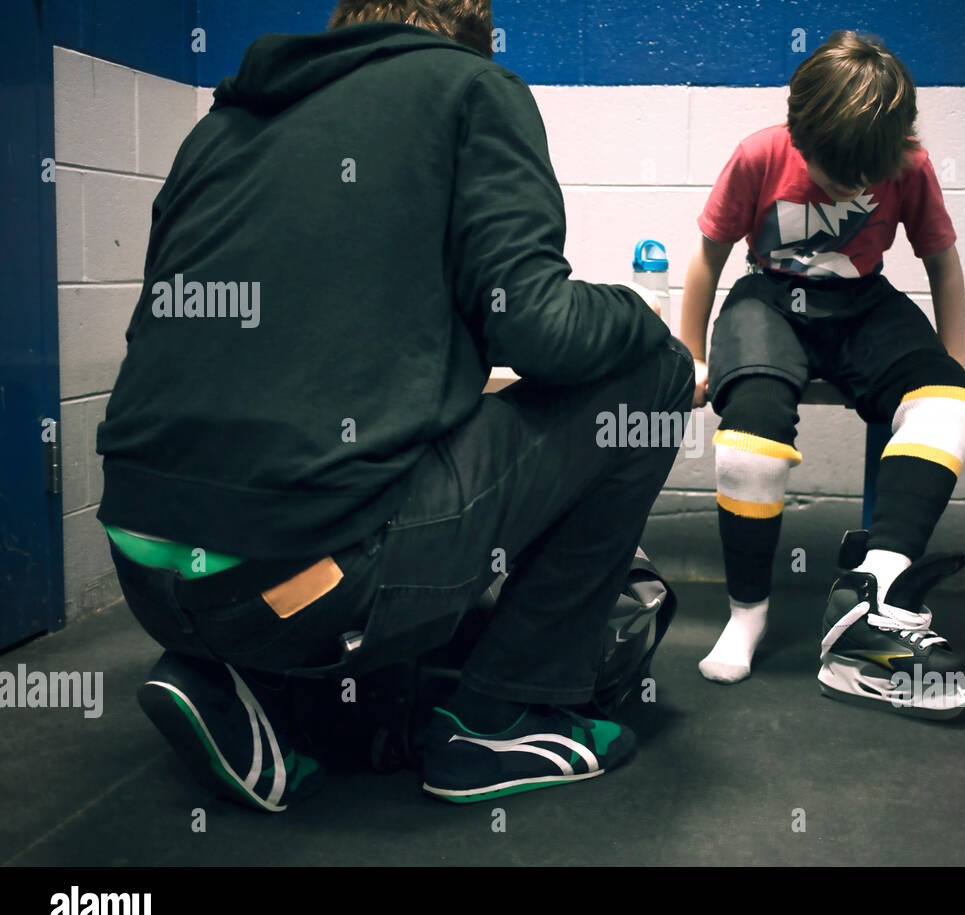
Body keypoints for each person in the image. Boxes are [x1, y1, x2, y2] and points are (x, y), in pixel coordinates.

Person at [95, 0, 694, 810]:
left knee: (296, 496)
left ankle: (245, 687)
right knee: (650, 372)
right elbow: (541, 328)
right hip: (311, 584)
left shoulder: (223, 123)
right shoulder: (474, 89)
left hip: (150, 574)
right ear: (472, 35)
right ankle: (500, 715)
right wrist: (640, 314)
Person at [679, 30, 965, 717]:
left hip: (862, 304)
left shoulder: (908, 162)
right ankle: (747, 611)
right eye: (832, 174)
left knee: (952, 402)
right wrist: (692, 354)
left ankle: (871, 595)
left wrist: (957, 362)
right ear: (797, 130)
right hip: (769, 301)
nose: (849, 188)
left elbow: (942, 262)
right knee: (749, 438)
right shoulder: (760, 154)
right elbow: (708, 257)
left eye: (862, 181)